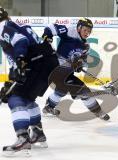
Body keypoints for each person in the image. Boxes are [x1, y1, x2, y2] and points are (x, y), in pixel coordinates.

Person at [0, 6, 59, 156]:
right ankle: (38, 133)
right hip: (47, 61)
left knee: (15, 98)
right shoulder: (14, 25)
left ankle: (23, 139)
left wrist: (20, 60)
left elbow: (21, 41)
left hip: (37, 62)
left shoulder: (2, 27)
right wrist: (14, 76)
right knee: (26, 98)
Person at [41, 17, 110, 121]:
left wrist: (79, 65)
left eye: (89, 31)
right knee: (83, 91)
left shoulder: (85, 46)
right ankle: (98, 111)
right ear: (79, 28)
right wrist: (48, 37)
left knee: (62, 89)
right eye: (85, 30)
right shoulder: (70, 32)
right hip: (55, 68)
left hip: (65, 73)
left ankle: (48, 107)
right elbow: (50, 27)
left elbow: (82, 61)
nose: (87, 33)